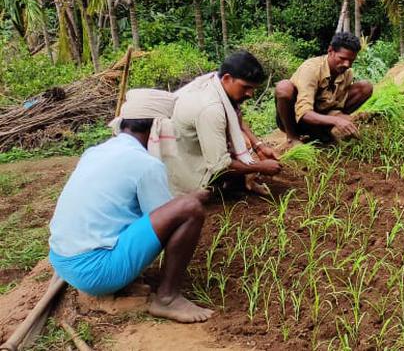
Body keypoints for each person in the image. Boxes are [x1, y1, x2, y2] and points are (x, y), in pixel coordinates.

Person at [48, 89, 212, 323]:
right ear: (159, 128)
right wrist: (191, 198)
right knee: (190, 209)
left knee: (181, 205)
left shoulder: (95, 152)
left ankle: (126, 273)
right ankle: (167, 298)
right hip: (95, 273)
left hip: (63, 259)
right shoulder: (146, 165)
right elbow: (166, 218)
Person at [168, 52, 281, 196]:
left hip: (182, 148)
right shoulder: (210, 109)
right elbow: (219, 166)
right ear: (227, 78)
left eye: (253, 88)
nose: (250, 94)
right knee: (205, 194)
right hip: (182, 164)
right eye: (246, 87)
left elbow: (234, 115)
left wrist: (258, 146)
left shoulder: (215, 82)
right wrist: (259, 167)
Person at [276, 32, 374, 146]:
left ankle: (322, 131)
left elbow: (336, 105)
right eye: (342, 58)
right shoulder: (311, 69)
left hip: (321, 115)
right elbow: (304, 113)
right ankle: (292, 137)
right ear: (330, 51)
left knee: (365, 87)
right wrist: (337, 120)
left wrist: (344, 118)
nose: (347, 64)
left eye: (351, 60)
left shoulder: (347, 73)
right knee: (284, 88)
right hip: (296, 120)